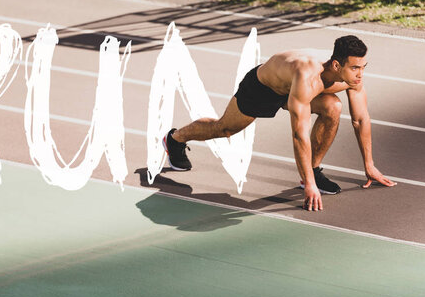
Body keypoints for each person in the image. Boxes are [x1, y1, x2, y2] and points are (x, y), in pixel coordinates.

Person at [162, 35, 396, 211]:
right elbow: (299, 134)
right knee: (224, 128)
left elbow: (360, 119)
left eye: (363, 67)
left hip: (294, 91)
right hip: (264, 88)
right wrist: (310, 188)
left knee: (333, 107)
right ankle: (174, 139)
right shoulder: (307, 75)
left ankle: (312, 171)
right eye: (355, 67)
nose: (360, 74)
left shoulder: (352, 78)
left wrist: (369, 164)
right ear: (337, 65)